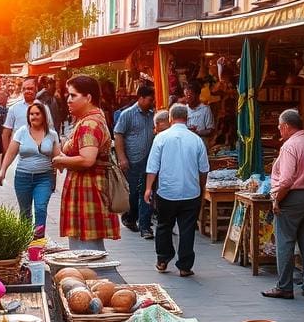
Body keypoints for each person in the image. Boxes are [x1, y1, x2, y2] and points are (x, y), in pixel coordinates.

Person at [261, 109, 304, 300]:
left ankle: (284, 286)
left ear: (287, 126)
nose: (279, 130)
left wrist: (277, 199)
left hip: (293, 197)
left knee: (285, 242)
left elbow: (287, 180)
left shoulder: (290, 146)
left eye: (280, 127)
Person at [52, 75, 119, 251]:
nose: (68, 99)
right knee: (88, 247)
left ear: (88, 97)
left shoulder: (90, 123)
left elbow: (87, 159)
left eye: (73, 95)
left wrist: (61, 160)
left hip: (88, 189)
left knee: (86, 251)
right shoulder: (92, 118)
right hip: (87, 188)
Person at [144, 103, 208, 276]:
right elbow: (204, 169)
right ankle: (185, 266)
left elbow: (152, 167)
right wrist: (201, 188)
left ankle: (163, 259)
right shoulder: (196, 140)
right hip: (191, 192)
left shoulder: (161, 138)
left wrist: (148, 188)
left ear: (170, 119)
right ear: (187, 119)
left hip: (167, 192)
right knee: (187, 229)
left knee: (164, 225)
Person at [0, 101, 60, 235]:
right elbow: (11, 153)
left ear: (43, 116)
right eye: (31, 114)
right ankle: (25, 240)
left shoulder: (52, 134)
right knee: (25, 211)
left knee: (40, 208)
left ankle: (38, 240)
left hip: (44, 178)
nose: (34, 117)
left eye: (37, 114)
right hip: (23, 177)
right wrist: (2, 170)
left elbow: (58, 156)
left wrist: (65, 164)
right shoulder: (21, 132)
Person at [114, 86, 156, 239]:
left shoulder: (152, 115)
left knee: (147, 193)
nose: (152, 103)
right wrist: (122, 157)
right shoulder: (127, 114)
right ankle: (130, 217)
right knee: (132, 193)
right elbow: (118, 135)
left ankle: (145, 226)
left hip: (149, 161)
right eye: (150, 100)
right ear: (141, 98)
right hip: (132, 160)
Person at [2, 77, 54, 152]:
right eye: (24, 89)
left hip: (39, 153)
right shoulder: (14, 108)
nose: (27, 91)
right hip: (18, 154)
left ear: (36, 89)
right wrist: (7, 153)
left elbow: (51, 129)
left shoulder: (44, 108)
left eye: (30, 88)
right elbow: (6, 133)